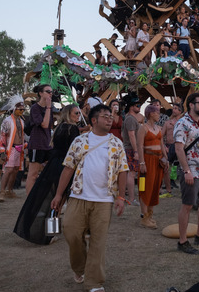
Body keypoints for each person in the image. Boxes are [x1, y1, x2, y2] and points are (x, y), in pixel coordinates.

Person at [51, 104, 128, 291]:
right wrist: (59, 195)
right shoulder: (79, 140)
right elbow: (68, 168)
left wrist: (121, 197)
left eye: (111, 116)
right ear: (93, 120)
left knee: (98, 242)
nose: (110, 119)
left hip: (104, 200)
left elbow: (122, 170)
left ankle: (94, 282)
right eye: (105, 116)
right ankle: (80, 268)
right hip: (78, 196)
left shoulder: (116, 143)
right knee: (71, 232)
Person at [14, 104, 82, 245]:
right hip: (66, 166)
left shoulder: (59, 128)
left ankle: (52, 231)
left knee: (56, 198)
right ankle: (59, 232)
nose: (78, 116)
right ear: (69, 114)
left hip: (54, 164)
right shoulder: (72, 129)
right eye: (76, 113)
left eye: (79, 113)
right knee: (64, 198)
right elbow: (74, 150)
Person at [173, 93, 199, 255]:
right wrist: (187, 171)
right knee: (187, 205)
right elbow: (178, 148)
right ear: (191, 105)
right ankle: (182, 242)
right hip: (189, 170)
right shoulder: (182, 123)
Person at [137, 105, 168, 229]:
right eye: (157, 112)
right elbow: (139, 146)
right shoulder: (143, 128)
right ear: (150, 114)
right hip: (148, 159)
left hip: (158, 160)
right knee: (146, 187)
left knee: (155, 187)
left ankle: (150, 215)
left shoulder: (159, 128)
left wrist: (166, 159)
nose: (159, 114)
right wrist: (142, 163)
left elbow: (162, 144)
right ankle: (144, 217)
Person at [26, 85, 55, 197]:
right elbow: (44, 124)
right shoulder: (35, 108)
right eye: (48, 91)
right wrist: (48, 108)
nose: (50, 94)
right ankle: (29, 199)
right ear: (40, 93)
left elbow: (50, 126)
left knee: (52, 171)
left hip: (47, 144)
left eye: (51, 92)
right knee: (33, 174)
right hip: (37, 144)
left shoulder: (50, 108)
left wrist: (49, 108)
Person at [0, 95, 27, 202]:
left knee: (15, 171)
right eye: (20, 109)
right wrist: (2, 151)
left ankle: (10, 191)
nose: (22, 111)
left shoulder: (22, 121)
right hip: (11, 149)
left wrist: (25, 145)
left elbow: (22, 136)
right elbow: (2, 136)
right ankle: (2, 191)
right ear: (14, 109)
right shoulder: (7, 121)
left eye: (23, 109)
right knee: (8, 170)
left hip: (20, 148)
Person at [121, 95, 142, 206]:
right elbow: (131, 135)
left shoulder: (130, 118)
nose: (139, 107)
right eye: (137, 105)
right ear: (131, 107)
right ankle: (131, 198)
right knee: (131, 174)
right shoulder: (130, 119)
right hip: (131, 149)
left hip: (130, 148)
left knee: (131, 173)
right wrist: (136, 151)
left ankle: (131, 197)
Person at [164, 102, 183, 192]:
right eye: (173, 108)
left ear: (180, 111)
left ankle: (174, 180)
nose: (173, 110)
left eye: (176, 108)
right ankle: (168, 183)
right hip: (169, 145)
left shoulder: (183, 122)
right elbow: (161, 135)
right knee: (168, 165)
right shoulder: (168, 122)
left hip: (178, 145)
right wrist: (164, 146)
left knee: (177, 165)